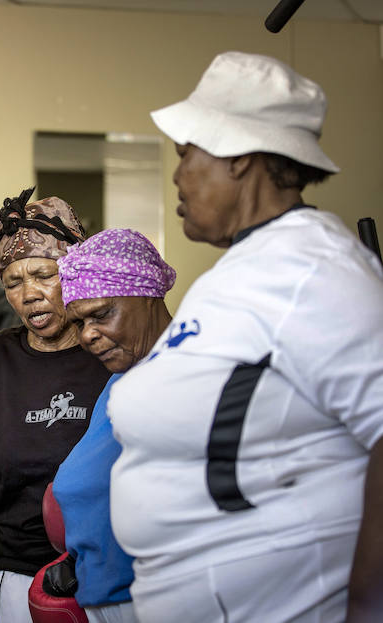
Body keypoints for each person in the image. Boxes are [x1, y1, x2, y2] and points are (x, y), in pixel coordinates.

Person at [107, 51, 383, 622]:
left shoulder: (316, 270)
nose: (178, 174)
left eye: (186, 153)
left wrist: (367, 609)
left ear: (240, 157)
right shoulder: (239, 271)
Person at [0, 187, 111, 623]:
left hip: (111, 570)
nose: (29, 294)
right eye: (13, 282)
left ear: (74, 269)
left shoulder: (111, 348)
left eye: (44, 274)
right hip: (20, 574)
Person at [51, 228, 177, 623]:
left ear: (147, 294)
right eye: (78, 322)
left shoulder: (183, 377)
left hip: (155, 597)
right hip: (105, 593)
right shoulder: (122, 378)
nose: (87, 335)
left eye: (102, 314)